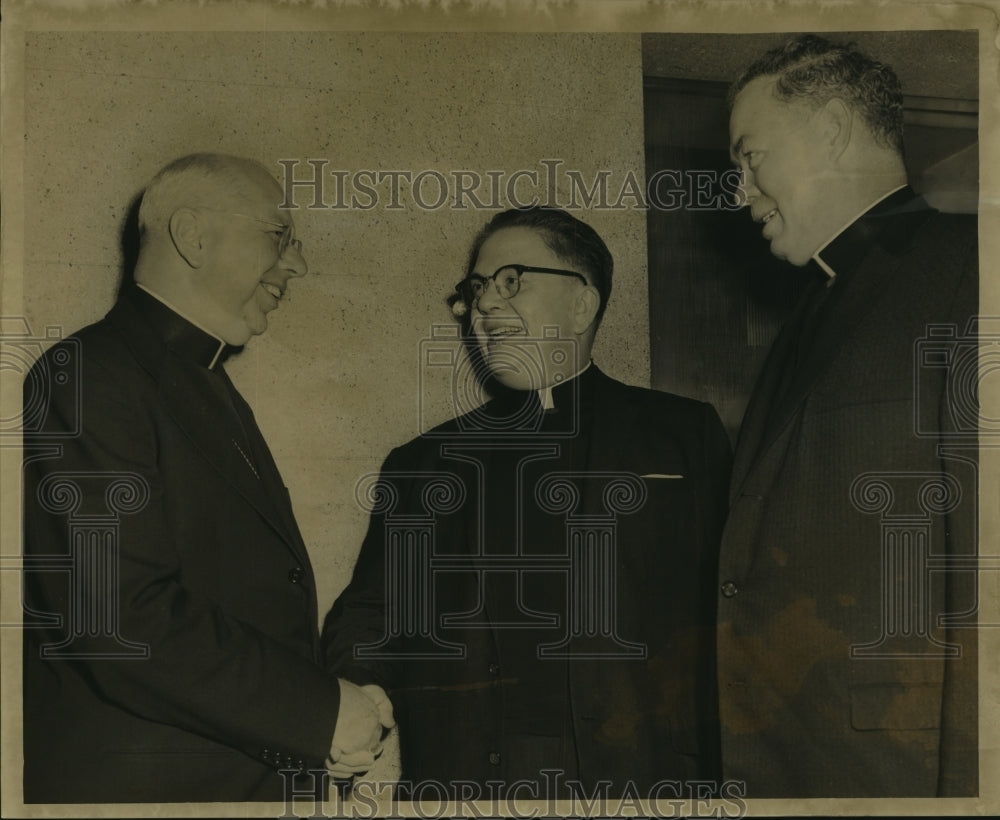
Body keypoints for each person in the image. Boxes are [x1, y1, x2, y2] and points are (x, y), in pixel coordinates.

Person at [323, 206, 732, 800]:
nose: (485, 305)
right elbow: (371, 612)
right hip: (465, 780)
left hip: (643, 776)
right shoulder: (419, 463)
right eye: (478, 288)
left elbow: (733, 611)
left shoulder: (684, 436)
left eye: (512, 280)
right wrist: (362, 688)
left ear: (582, 304)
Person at [21, 153, 393, 803]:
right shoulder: (85, 375)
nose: (296, 265)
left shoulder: (204, 385)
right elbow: (122, 621)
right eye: (278, 237)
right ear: (193, 235)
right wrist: (320, 710)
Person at [720, 35, 978, 797]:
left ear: (831, 131)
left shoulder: (969, 267)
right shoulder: (813, 306)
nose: (739, 193)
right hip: (797, 756)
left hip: (901, 768)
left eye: (750, 157)